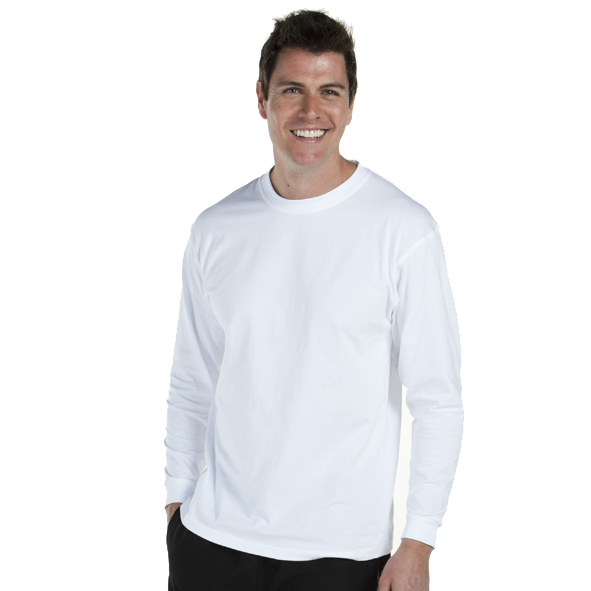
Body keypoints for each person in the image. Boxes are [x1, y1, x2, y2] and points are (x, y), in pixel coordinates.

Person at [163, 9, 463, 591]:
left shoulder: (404, 230)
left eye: (329, 92)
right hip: (212, 542)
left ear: (350, 105)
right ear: (261, 98)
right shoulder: (216, 229)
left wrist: (419, 541)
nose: (310, 112)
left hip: (341, 555)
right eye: (291, 90)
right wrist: (177, 504)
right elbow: (191, 379)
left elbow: (438, 400)